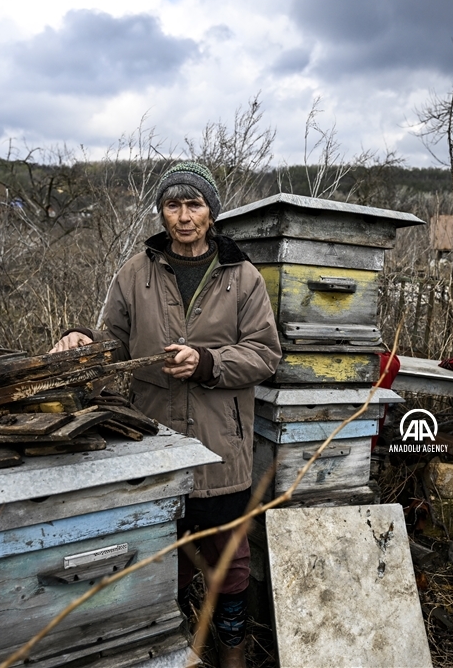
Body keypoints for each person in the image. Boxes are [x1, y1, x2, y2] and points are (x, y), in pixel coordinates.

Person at [50, 162, 281, 667]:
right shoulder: (136, 273)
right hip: (153, 446)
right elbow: (111, 343)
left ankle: (233, 657)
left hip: (223, 450)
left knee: (230, 565)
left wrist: (208, 362)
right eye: (173, 205)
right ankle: (170, 654)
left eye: (193, 204)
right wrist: (82, 341)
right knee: (160, 562)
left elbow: (265, 354)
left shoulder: (242, 277)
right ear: (161, 211)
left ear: (211, 212)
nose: (183, 216)